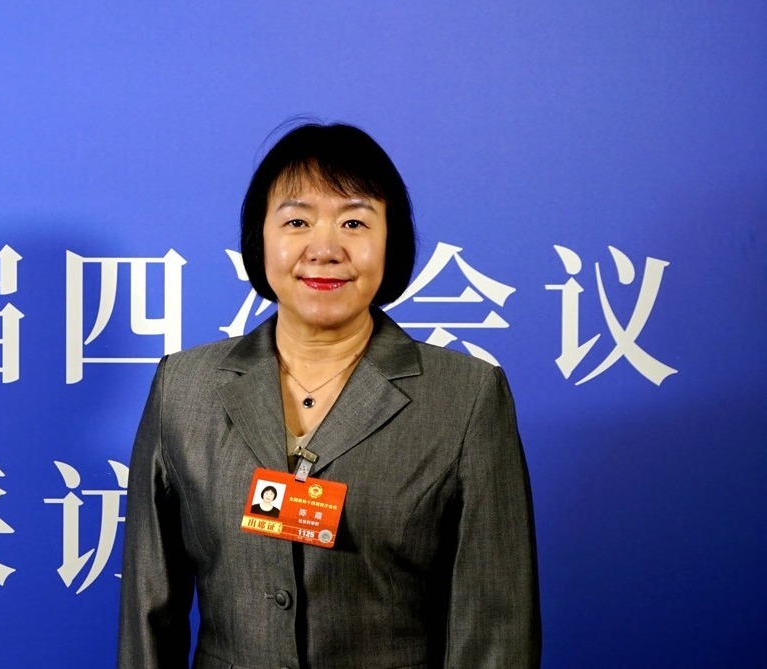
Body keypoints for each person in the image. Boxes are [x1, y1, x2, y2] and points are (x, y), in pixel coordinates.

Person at [118, 122, 541, 668]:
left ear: (391, 241)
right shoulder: (184, 386)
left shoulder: (466, 396)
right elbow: (149, 609)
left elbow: (496, 628)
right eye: (297, 221)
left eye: (354, 222)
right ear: (260, 238)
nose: (324, 249)